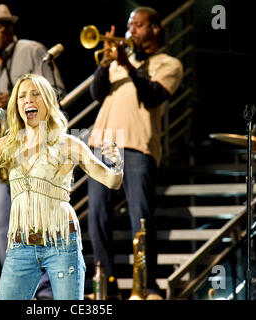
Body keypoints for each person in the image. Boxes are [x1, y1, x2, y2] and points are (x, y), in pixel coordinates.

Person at [0, 73, 123, 300]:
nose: (28, 100)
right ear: (16, 105)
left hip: (61, 243)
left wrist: (117, 162)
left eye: (35, 94)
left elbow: (112, 181)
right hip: (21, 247)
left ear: (48, 101)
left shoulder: (68, 144)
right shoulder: (8, 144)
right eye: (22, 96)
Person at [87, 6, 183, 299]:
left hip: (138, 144)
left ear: (154, 28)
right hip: (103, 143)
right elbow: (96, 93)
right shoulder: (117, 61)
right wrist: (105, 63)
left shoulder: (169, 63)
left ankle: (147, 286)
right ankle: (106, 286)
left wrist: (128, 65)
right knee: (97, 216)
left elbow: (153, 96)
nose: (131, 31)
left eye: (138, 25)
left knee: (140, 217)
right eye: (130, 26)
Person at [0, 4, 65, 299]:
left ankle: (46, 293)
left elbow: (58, 92)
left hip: (35, 146)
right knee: (0, 229)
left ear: (10, 28)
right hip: (4, 147)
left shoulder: (32, 49)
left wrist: (16, 99)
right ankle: (22, 288)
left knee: (38, 222)